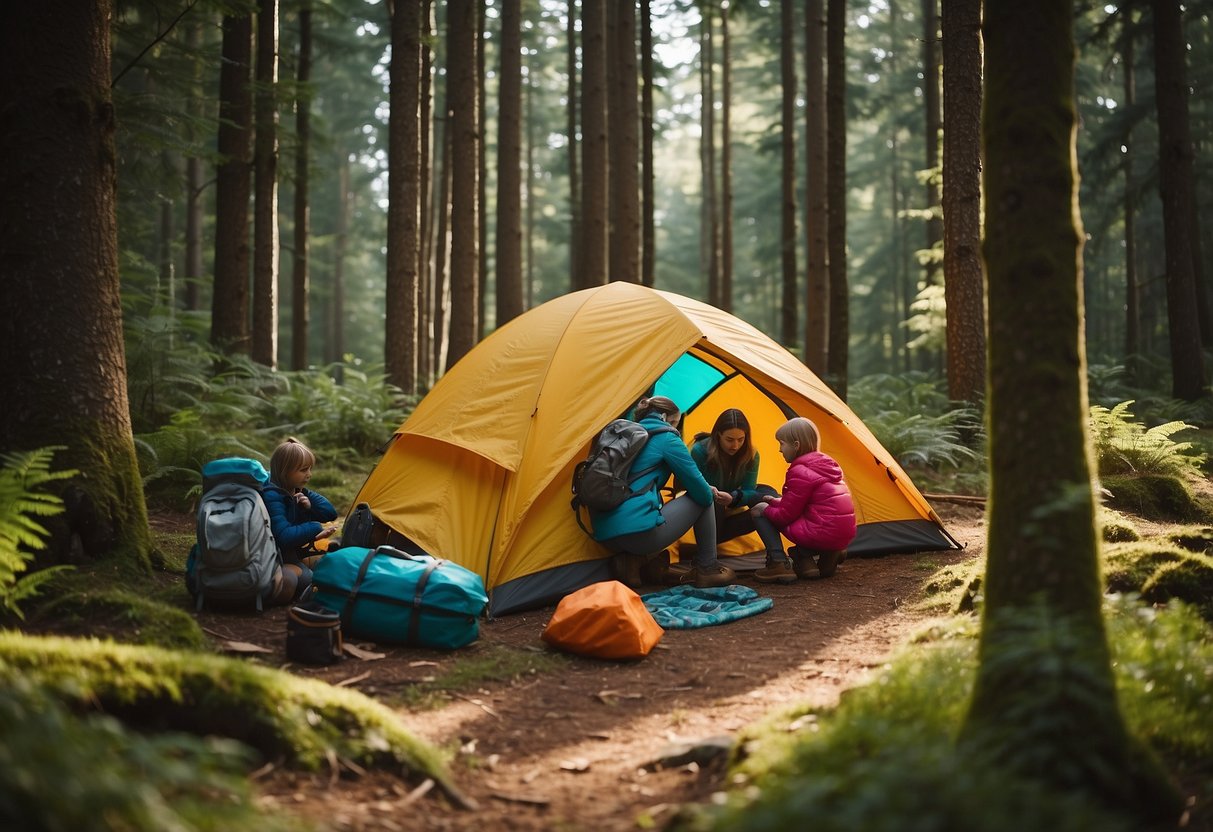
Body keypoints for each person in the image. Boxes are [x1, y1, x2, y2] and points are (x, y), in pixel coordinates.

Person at [590, 396, 736, 589]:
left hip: (604, 535)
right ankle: (707, 568)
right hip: (636, 535)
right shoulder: (667, 438)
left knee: (653, 511)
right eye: (676, 423)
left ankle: (633, 562)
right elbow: (701, 494)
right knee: (705, 499)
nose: (677, 429)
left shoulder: (627, 436)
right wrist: (707, 489)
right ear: (665, 417)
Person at [686, 408, 795, 584]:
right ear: (718, 435)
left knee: (769, 496)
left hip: (732, 504)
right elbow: (696, 487)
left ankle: (778, 560)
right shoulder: (700, 451)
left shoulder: (751, 453)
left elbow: (750, 490)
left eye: (740, 439)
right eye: (729, 440)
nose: (735, 446)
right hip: (708, 514)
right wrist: (716, 494)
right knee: (712, 501)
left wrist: (734, 497)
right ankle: (705, 559)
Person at [751, 417, 856, 579]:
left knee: (759, 510)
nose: (780, 449)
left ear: (796, 445)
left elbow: (786, 515)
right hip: (842, 533)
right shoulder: (828, 466)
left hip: (820, 533)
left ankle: (780, 562)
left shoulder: (800, 471)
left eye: (782, 444)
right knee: (807, 515)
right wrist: (773, 501)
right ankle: (827, 557)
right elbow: (802, 504)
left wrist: (767, 509)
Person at [263, 437, 339, 587]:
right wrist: (315, 528)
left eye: (310, 468)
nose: (309, 474)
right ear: (285, 472)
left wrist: (309, 505)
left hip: (293, 550)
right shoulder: (272, 496)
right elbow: (283, 537)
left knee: (330, 566)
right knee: (307, 578)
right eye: (304, 470)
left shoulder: (295, 490)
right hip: (276, 555)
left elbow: (330, 513)